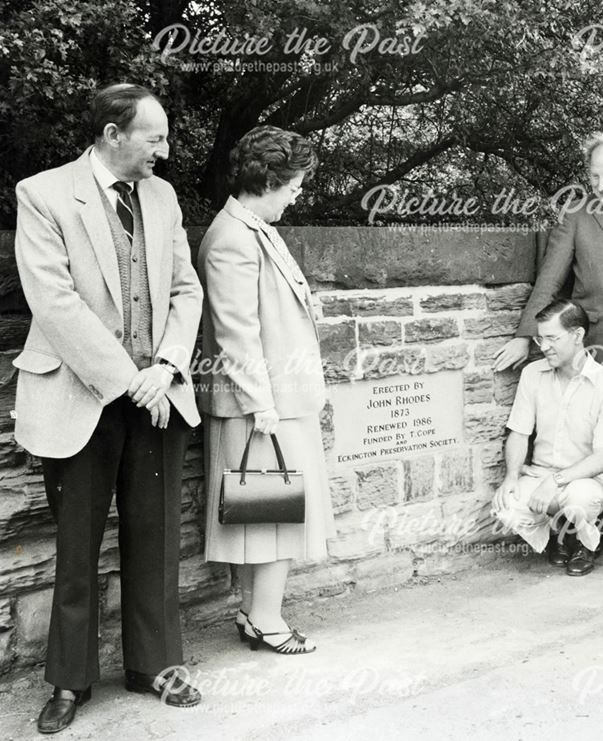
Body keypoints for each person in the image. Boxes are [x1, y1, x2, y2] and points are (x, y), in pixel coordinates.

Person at [13, 83, 204, 733]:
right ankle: (70, 681)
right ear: (112, 134)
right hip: (81, 395)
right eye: (155, 137)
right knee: (76, 547)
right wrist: (130, 378)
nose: (166, 149)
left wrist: (170, 363)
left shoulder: (164, 196)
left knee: (156, 541)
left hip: (158, 392)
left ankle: (156, 665)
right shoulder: (41, 194)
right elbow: (56, 303)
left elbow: (185, 289)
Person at [493, 133, 603, 562]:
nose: (601, 184)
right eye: (594, 176)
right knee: (578, 437)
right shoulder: (576, 215)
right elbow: (551, 279)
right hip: (592, 342)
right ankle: (571, 535)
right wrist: (524, 336)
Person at [197, 125, 334, 654]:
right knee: (275, 513)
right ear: (269, 179)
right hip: (260, 405)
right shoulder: (233, 236)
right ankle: (269, 621)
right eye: (295, 183)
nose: (298, 192)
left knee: (268, 513)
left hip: (272, 401)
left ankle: (257, 615)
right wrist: (261, 405)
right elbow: (235, 333)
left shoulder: (253, 226)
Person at [492, 299, 603, 575]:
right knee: (507, 506)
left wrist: (555, 482)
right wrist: (512, 476)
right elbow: (518, 433)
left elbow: (602, 459)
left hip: (582, 480)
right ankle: (560, 534)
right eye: (540, 339)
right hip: (539, 474)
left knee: (578, 501)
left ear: (577, 335)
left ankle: (585, 542)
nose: (544, 347)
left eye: (552, 338)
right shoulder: (532, 374)